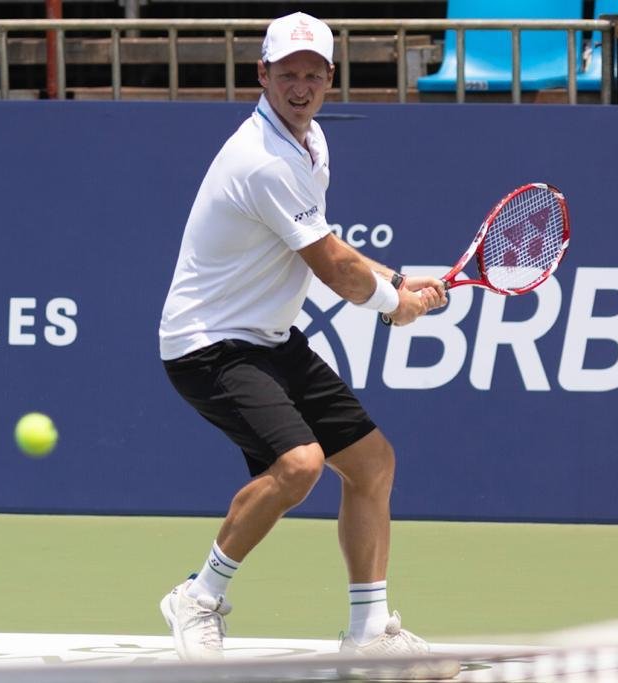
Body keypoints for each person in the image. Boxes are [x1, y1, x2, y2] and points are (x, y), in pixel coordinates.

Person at [156, 10, 459, 678]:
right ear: (261, 75)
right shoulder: (263, 159)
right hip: (207, 345)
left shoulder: (311, 141)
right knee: (298, 463)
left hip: (268, 337)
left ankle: (368, 631)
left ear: (329, 77)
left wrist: (398, 277)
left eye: (313, 74)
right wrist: (394, 305)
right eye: (287, 73)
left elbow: (327, 245)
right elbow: (330, 267)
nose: (301, 86)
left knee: (372, 462)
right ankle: (198, 596)